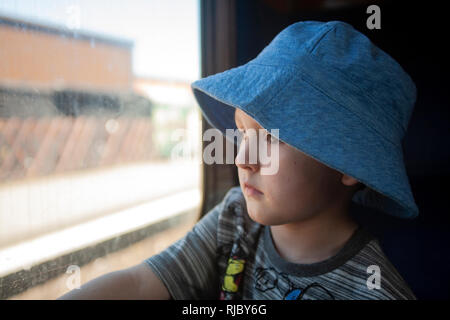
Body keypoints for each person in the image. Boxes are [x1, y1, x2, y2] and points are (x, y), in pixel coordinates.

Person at [59, 20, 418, 300]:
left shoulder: (373, 288)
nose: (243, 158)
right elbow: (141, 283)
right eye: (244, 133)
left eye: (271, 137)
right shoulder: (233, 222)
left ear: (347, 163)